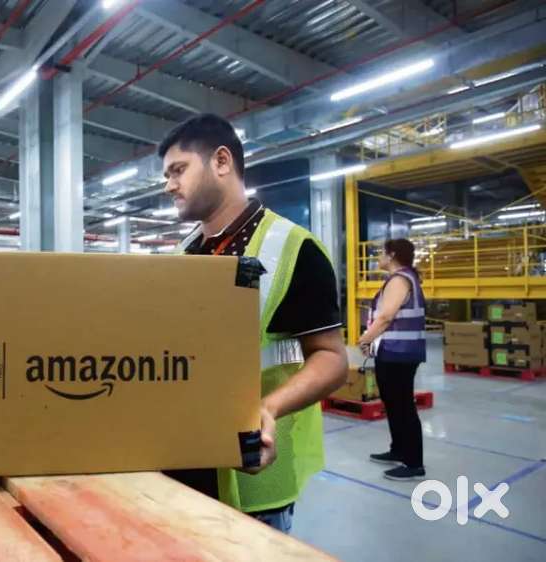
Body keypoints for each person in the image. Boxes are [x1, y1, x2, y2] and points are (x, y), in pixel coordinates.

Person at [159, 113, 348, 533]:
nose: (169, 185)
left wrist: (268, 407)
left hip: (252, 479)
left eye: (178, 170)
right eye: (168, 175)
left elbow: (333, 358)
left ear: (221, 161)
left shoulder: (293, 248)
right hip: (182, 466)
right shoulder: (182, 254)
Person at [358, 239, 427, 481]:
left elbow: (386, 317)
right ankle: (398, 449)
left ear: (392, 255)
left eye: (382, 253)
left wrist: (365, 338)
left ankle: (414, 463)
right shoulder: (403, 278)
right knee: (393, 403)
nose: (379, 257)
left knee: (403, 405)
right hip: (394, 351)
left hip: (399, 353)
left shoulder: (399, 280)